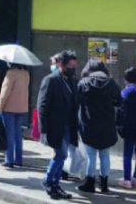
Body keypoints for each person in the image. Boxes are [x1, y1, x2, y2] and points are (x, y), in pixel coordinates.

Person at [37, 50, 79, 200]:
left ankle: (55, 183)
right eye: (70, 65)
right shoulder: (51, 80)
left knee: (62, 155)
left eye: (75, 65)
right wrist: (44, 129)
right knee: (61, 154)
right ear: (61, 64)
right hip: (56, 125)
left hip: (69, 125)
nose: (73, 68)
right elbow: (42, 105)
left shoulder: (73, 80)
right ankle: (48, 181)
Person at [76, 59, 121, 194]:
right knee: (105, 155)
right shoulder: (111, 83)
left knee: (91, 156)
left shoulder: (84, 83)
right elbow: (119, 102)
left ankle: (89, 184)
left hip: (89, 124)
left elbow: (76, 102)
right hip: (107, 124)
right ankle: (104, 185)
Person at [0, 63, 30, 168]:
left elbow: (5, 92)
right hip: (22, 107)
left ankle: (9, 159)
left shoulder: (10, 73)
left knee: (9, 134)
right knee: (18, 134)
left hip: (9, 107)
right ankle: (18, 159)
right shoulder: (26, 74)